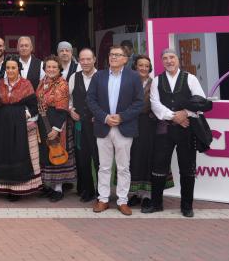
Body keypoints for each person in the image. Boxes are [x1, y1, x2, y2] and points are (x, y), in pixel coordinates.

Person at [145, 48, 207, 217]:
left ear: (178, 59)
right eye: (165, 58)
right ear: (161, 61)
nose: (169, 61)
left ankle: (187, 206)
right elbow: (155, 104)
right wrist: (174, 116)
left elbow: (200, 101)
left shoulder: (190, 78)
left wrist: (185, 113)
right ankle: (156, 203)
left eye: (171, 57)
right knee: (158, 166)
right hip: (164, 129)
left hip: (186, 129)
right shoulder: (157, 81)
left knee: (187, 168)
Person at [87, 46, 144, 215]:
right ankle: (103, 199)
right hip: (103, 126)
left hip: (124, 127)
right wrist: (104, 117)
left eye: (118, 55)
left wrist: (121, 117)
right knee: (104, 166)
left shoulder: (134, 77)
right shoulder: (99, 76)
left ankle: (122, 200)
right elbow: (91, 100)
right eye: (111, 54)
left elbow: (139, 102)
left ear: (126, 59)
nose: (113, 57)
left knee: (123, 167)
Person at [0, 58, 42, 200]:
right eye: (8, 68)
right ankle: (4, 188)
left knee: (18, 153)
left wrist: (23, 114)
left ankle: (18, 189)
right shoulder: (0, 83)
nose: (10, 70)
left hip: (20, 125)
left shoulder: (26, 84)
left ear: (18, 68)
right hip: (3, 125)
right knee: (4, 153)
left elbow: (33, 106)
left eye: (13, 68)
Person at [36, 55, 76, 202]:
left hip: (57, 123)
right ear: (44, 69)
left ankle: (58, 189)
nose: (51, 69)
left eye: (54, 67)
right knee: (47, 155)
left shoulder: (62, 84)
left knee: (57, 153)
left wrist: (56, 129)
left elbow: (63, 109)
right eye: (48, 67)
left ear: (59, 69)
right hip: (43, 123)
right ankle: (49, 186)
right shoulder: (42, 82)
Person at [128, 54, 165, 210]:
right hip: (131, 125)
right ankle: (134, 194)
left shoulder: (155, 84)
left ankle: (147, 196)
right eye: (140, 65)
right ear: (135, 67)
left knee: (148, 158)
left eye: (146, 66)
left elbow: (155, 105)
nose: (143, 68)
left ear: (149, 69)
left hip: (149, 126)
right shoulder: (129, 83)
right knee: (133, 158)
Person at [69, 47, 100, 202]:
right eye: (82, 59)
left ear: (94, 59)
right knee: (83, 159)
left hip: (98, 126)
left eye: (89, 59)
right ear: (79, 61)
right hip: (80, 125)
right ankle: (88, 190)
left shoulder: (102, 76)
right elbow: (68, 98)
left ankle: (102, 192)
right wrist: (70, 110)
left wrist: (101, 115)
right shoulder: (74, 77)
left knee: (100, 159)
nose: (86, 62)